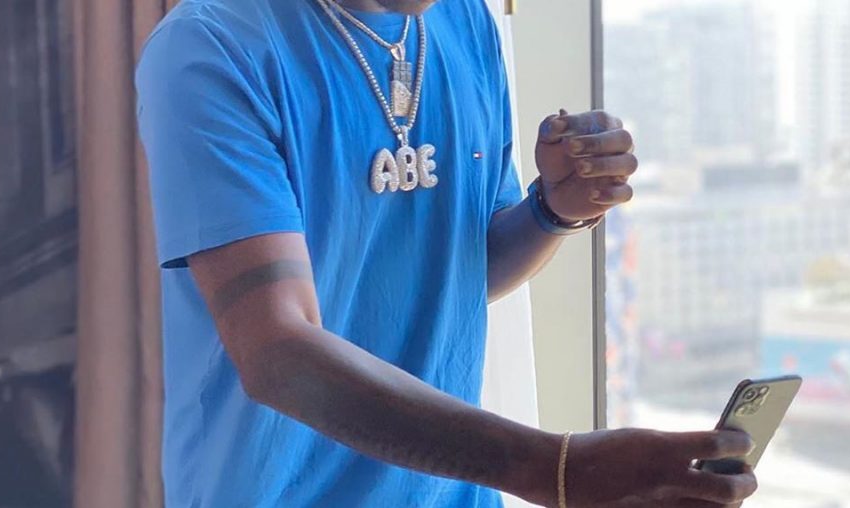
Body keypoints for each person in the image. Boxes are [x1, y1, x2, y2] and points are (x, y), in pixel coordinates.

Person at [135, 0, 759, 506]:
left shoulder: (465, 20)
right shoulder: (209, 48)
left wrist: (554, 211)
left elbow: (465, 272)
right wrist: (555, 469)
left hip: (452, 491)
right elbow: (278, 351)